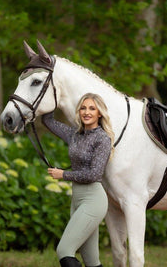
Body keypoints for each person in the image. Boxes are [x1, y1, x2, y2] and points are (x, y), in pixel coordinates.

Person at [42, 93, 114, 267]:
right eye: (83, 108)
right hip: (77, 200)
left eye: (92, 108)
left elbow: (94, 174)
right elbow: (47, 121)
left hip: (93, 200)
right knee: (91, 261)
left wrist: (63, 175)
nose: (86, 112)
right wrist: (51, 96)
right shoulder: (74, 134)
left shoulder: (102, 138)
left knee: (64, 250)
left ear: (99, 113)